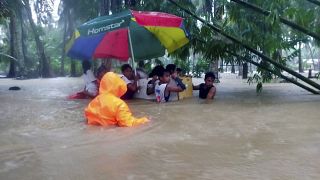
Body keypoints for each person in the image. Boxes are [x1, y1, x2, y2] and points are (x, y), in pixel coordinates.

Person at [85, 72, 149, 127]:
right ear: (118, 86)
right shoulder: (119, 104)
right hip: (110, 136)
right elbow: (128, 124)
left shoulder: (92, 103)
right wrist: (144, 120)